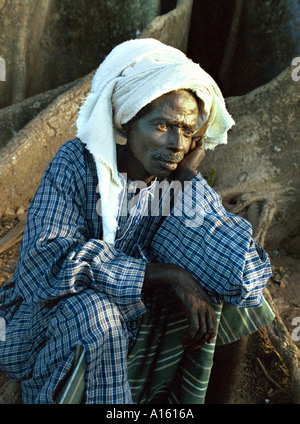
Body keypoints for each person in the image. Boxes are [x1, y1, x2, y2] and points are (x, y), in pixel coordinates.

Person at [0, 39, 275, 404]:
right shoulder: (77, 164)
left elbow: (244, 276)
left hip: (137, 317)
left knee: (234, 296)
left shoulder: (177, 182)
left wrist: (190, 185)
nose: (177, 143)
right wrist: (165, 274)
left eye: (188, 131)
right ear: (128, 123)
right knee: (98, 314)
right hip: (48, 323)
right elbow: (42, 265)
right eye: (163, 125)